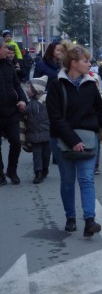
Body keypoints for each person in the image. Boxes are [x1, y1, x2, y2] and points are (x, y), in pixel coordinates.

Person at [46, 43, 102, 236]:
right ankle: (70, 217)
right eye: (85, 60)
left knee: (87, 179)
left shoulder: (90, 85)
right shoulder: (56, 85)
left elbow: (99, 113)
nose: (89, 64)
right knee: (67, 180)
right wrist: (72, 140)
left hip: (89, 140)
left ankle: (89, 220)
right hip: (63, 140)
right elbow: (55, 118)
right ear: (74, 63)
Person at [0, 38, 28, 186]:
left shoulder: (9, 65)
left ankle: (12, 170)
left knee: (16, 143)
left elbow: (17, 86)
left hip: (11, 111)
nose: (7, 50)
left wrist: (23, 100)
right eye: (4, 48)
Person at [24, 76, 51, 184]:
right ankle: (38, 172)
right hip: (34, 134)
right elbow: (25, 114)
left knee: (46, 154)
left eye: (29, 88)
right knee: (37, 155)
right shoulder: (30, 102)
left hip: (46, 133)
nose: (27, 90)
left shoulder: (46, 100)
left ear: (36, 89)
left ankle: (44, 169)